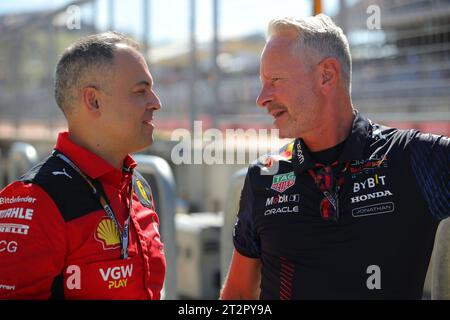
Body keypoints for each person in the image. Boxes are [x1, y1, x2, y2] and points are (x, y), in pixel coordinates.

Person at [220, 14, 449, 300]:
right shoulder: (264, 175)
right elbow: (238, 295)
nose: (262, 97)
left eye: (275, 80)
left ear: (326, 74)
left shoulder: (412, 157)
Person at [0, 32, 165, 299]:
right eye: (141, 91)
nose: (156, 103)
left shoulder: (139, 188)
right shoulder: (36, 200)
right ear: (93, 100)